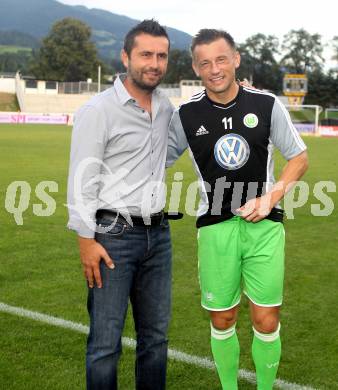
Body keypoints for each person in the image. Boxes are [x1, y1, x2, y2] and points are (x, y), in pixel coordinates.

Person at [167, 29, 309, 390]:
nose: (214, 69)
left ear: (236, 59)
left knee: (265, 318)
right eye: (205, 63)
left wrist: (270, 198)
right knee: (223, 318)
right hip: (215, 228)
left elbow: (299, 157)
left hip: (264, 226)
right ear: (196, 68)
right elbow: (155, 159)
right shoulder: (185, 115)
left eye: (220, 59)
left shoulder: (266, 105)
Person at [67, 20, 174, 390]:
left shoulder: (165, 107)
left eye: (161, 56)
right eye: (146, 54)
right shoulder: (99, 110)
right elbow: (81, 180)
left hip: (159, 236)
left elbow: (174, 148)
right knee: (105, 344)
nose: (154, 63)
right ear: (125, 56)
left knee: (156, 340)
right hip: (112, 237)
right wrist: (86, 241)